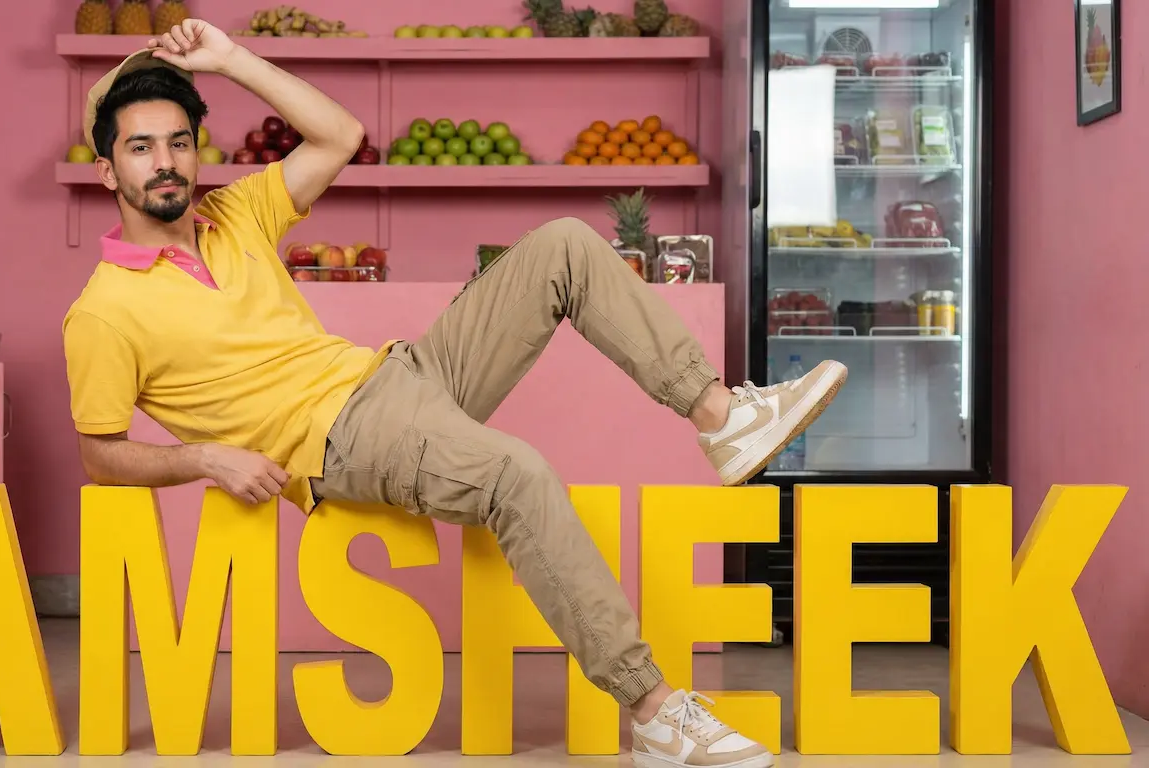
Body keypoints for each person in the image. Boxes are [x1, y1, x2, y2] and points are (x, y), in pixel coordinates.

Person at [62, 18, 846, 768]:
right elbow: (98, 452)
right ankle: (652, 712)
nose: (165, 161)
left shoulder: (233, 215)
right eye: (140, 148)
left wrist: (231, 61)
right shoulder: (103, 311)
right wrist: (208, 457)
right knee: (517, 474)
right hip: (341, 439)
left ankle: (722, 417)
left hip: (401, 373)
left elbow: (340, 135)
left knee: (565, 246)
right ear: (108, 171)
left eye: (177, 141)